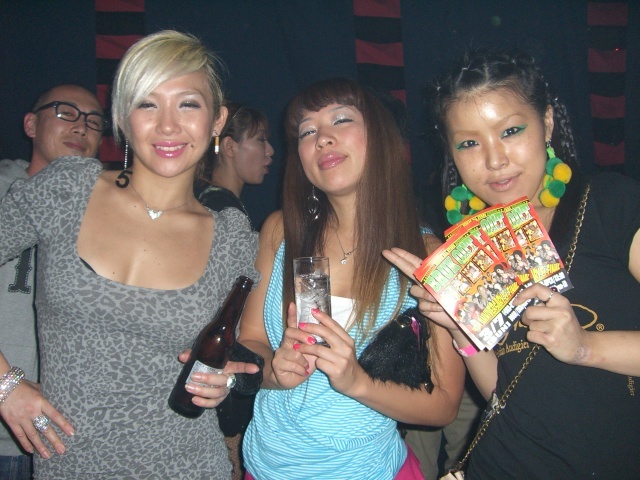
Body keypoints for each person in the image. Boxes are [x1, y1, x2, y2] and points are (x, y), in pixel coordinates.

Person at [0, 30, 259, 479]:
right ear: (122, 117)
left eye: (188, 104)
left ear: (217, 121)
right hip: (68, 467)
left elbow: (247, 349)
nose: (168, 126)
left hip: (189, 466)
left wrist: (227, 380)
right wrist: (6, 385)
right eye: (147, 104)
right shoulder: (68, 189)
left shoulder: (232, 237)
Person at [384, 48, 640, 478]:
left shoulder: (611, 203)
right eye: (469, 143)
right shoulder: (476, 246)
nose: (494, 160)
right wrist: (459, 328)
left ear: (548, 123)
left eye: (510, 131)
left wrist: (585, 347)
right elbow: (504, 393)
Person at [238, 77, 465, 480]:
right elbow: (251, 337)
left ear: (379, 136)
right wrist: (274, 370)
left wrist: (357, 382)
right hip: (266, 465)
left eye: (341, 120)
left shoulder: (426, 255)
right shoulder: (280, 231)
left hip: (368, 469)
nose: (322, 138)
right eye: (307, 131)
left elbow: (445, 403)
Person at [0, 84, 104, 480]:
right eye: (66, 112)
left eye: (94, 120)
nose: (81, 126)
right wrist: (6, 385)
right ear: (30, 124)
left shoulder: (107, 216)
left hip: (67, 443)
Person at [195, 101, 273, 219]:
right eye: (261, 140)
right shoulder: (223, 211)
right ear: (229, 147)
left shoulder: (212, 204)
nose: (270, 151)